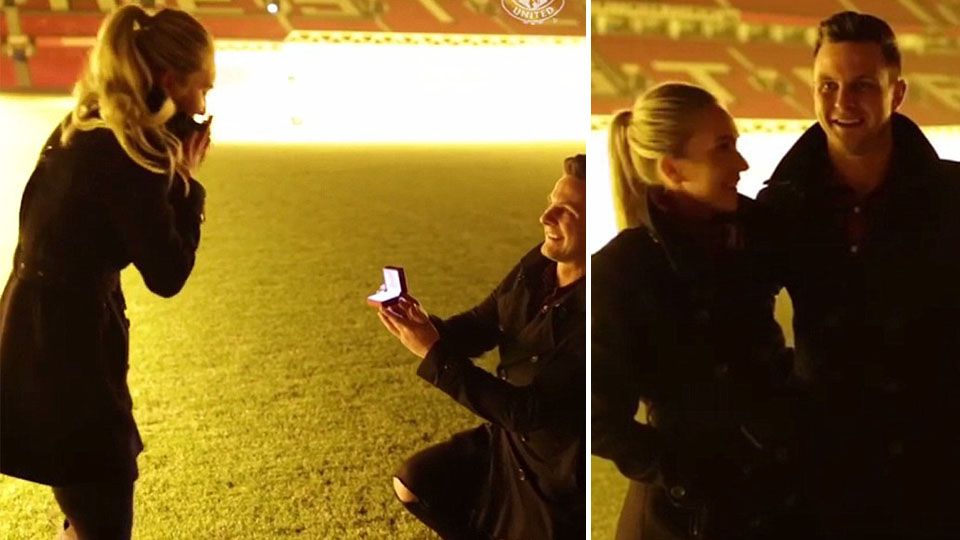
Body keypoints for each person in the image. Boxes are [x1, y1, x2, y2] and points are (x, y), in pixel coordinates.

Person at [0, 5, 214, 538]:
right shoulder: (131, 150)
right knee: (102, 502)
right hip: (67, 353)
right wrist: (187, 182)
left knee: (87, 504)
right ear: (168, 81)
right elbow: (168, 274)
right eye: (202, 88)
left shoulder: (89, 120)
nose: (205, 104)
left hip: (32, 330)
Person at [755, 11, 960, 537]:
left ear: (898, 93)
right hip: (825, 469)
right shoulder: (780, 207)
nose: (843, 102)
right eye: (828, 85)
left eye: (863, 85)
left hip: (936, 468)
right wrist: (782, 414)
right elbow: (734, 320)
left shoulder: (952, 197)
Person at [592, 82, 808, 539]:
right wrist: (684, 474)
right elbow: (596, 414)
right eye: (724, 148)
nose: (743, 164)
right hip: (687, 521)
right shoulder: (621, 270)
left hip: (776, 500)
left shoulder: (758, 232)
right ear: (673, 168)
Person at [376, 155, 586, 539]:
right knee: (415, 482)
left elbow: (528, 412)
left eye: (567, 211)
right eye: (551, 201)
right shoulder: (539, 263)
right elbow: (483, 323)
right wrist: (427, 328)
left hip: (556, 469)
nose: (547, 217)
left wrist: (435, 355)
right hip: (508, 443)